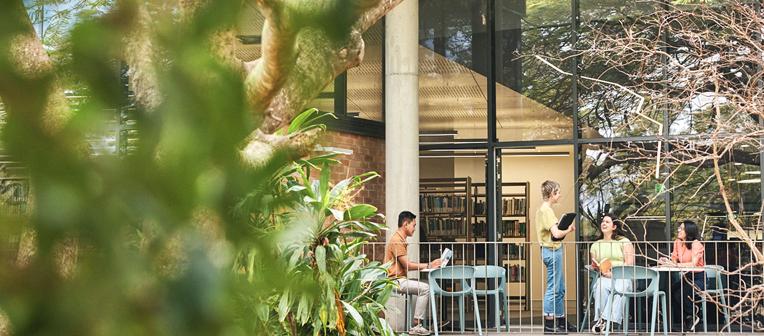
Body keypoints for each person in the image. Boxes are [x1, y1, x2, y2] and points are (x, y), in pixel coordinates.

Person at [385, 211, 443, 336]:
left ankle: (418, 324)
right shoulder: (397, 241)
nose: (415, 229)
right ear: (406, 224)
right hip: (395, 281)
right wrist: (428, 265)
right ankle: (417, 324)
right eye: (414, 225)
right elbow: (407, 265)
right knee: (425, 288)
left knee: (425, 286)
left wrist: (428, 265)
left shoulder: (400, 239)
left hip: (399, 279)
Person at [536, 180, 576, 334]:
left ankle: (561, 322)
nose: (560, 195)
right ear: (552, 193)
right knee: (554, 288)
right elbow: (557, 234)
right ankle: (549, 324)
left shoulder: (543, 211)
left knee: (559, 288)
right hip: (552, 252)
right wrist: (568, 229)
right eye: (558, 192)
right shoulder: (547, 211)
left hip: (551, 251)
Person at [588, 214, 635, 333]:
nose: (603, 224)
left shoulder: (624, 242)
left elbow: (629, 264)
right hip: (605, 276)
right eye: (603, 221)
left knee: (621, 287)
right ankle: (604, 321)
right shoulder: (595, 245)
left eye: (607, 222)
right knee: (600, 286)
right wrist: (597, 268)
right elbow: (596, 264)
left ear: (614, 226)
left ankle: (604, 320)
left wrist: (613, 272)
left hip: (623, 276)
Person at [658, 220, 705, 331]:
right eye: (679, 228)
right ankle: (686, 318)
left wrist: (675, 264)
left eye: (682, 228)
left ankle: (692, 316)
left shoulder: (696, 244)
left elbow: (693, 264)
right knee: (671, 291)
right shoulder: (677, 242)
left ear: (689, 231)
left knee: (682, 293)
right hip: (687, 276)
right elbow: (674, 260)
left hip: (699, 278)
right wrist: (666, 261)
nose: (679, 230)